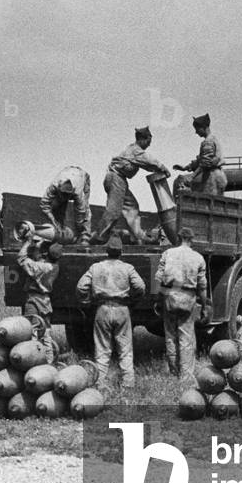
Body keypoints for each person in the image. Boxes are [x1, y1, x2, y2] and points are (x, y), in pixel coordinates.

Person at [75, 236, 146, 390]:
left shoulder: (96, 267)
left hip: (102, 309)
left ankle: (100, 383)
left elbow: (81, 287)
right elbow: (140, 287)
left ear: (106, 251)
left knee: (102, 349)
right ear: (121, 252)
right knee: (125, 349)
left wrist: (86, 301)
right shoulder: (128, 268)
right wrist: (133, 300)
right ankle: (128, 384)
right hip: (122, 309)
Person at [93, 127, 170, 244]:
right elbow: (150, 161)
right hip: (116, 178)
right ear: (142, 139)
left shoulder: (133, 150)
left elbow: (146, 165)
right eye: (148, 142)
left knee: (131, 206)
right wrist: (163, 169)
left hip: (119, 179)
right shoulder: (136, 150)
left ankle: (138, 237)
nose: (149, 145)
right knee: (114, 211)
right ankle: (99, 237)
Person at [155, 227, 209, 386]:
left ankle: (174, 373)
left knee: (170, 336)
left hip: (170, 297)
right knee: (186, 338)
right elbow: (202, 286)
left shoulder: (168, 254)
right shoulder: (198, 258)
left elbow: (158, 279)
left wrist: (158, 300)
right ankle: (185, 377)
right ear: (192, 239)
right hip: (188, 298)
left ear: (178, 238)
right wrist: (204, 305)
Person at [17, 234, 63, 361]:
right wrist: (38, 247)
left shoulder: (41, 267)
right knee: (46, 333)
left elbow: (21, 258)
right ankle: (49, 362)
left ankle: (33, 360)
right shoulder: (55, 267)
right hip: (45, 302)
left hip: (34, 300)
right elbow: (39, 261)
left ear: (47, 254)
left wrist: (28, 242)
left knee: (32, 331)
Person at [172, 113, 226, 195]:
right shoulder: (213, 139)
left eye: (197, 129)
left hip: (210, 177)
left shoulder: (208, 142)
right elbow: (201, 160)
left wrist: (192, 176)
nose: (196, 132)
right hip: (217, 177)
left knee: (179, 181)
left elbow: (205, 164)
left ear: (204, 127)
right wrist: (186, 167)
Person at [39, 166, 92, 245]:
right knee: (57, 207)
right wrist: (53, 220)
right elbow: (44, 204)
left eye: (67, 195)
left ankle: (85, 236)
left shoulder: (78, 192)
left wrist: (78, 228)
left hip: (82, 175)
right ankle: (59, 233)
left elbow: (80, 212)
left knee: (85, 209)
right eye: (63, 194)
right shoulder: (54, 185)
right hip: (67, 171)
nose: (65, 197)